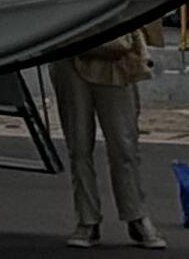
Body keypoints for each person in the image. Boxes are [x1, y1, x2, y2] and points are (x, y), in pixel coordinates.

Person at [45, 16, 162, 248]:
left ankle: (136, 215)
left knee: (124, 144)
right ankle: (87, 220)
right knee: (78, 145)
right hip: (70, 49)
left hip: (115, 50)